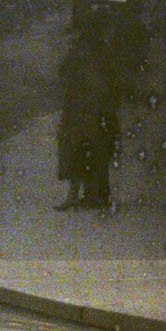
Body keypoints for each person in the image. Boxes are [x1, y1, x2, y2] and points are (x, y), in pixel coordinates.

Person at [56, 17, 119, 212]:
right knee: (95, 150)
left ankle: (80, 194)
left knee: (77, 149)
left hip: (82, 109)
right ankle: (96, 195)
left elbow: (66, 74)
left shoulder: (82, 52)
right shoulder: (102, 51)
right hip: (94, 109)